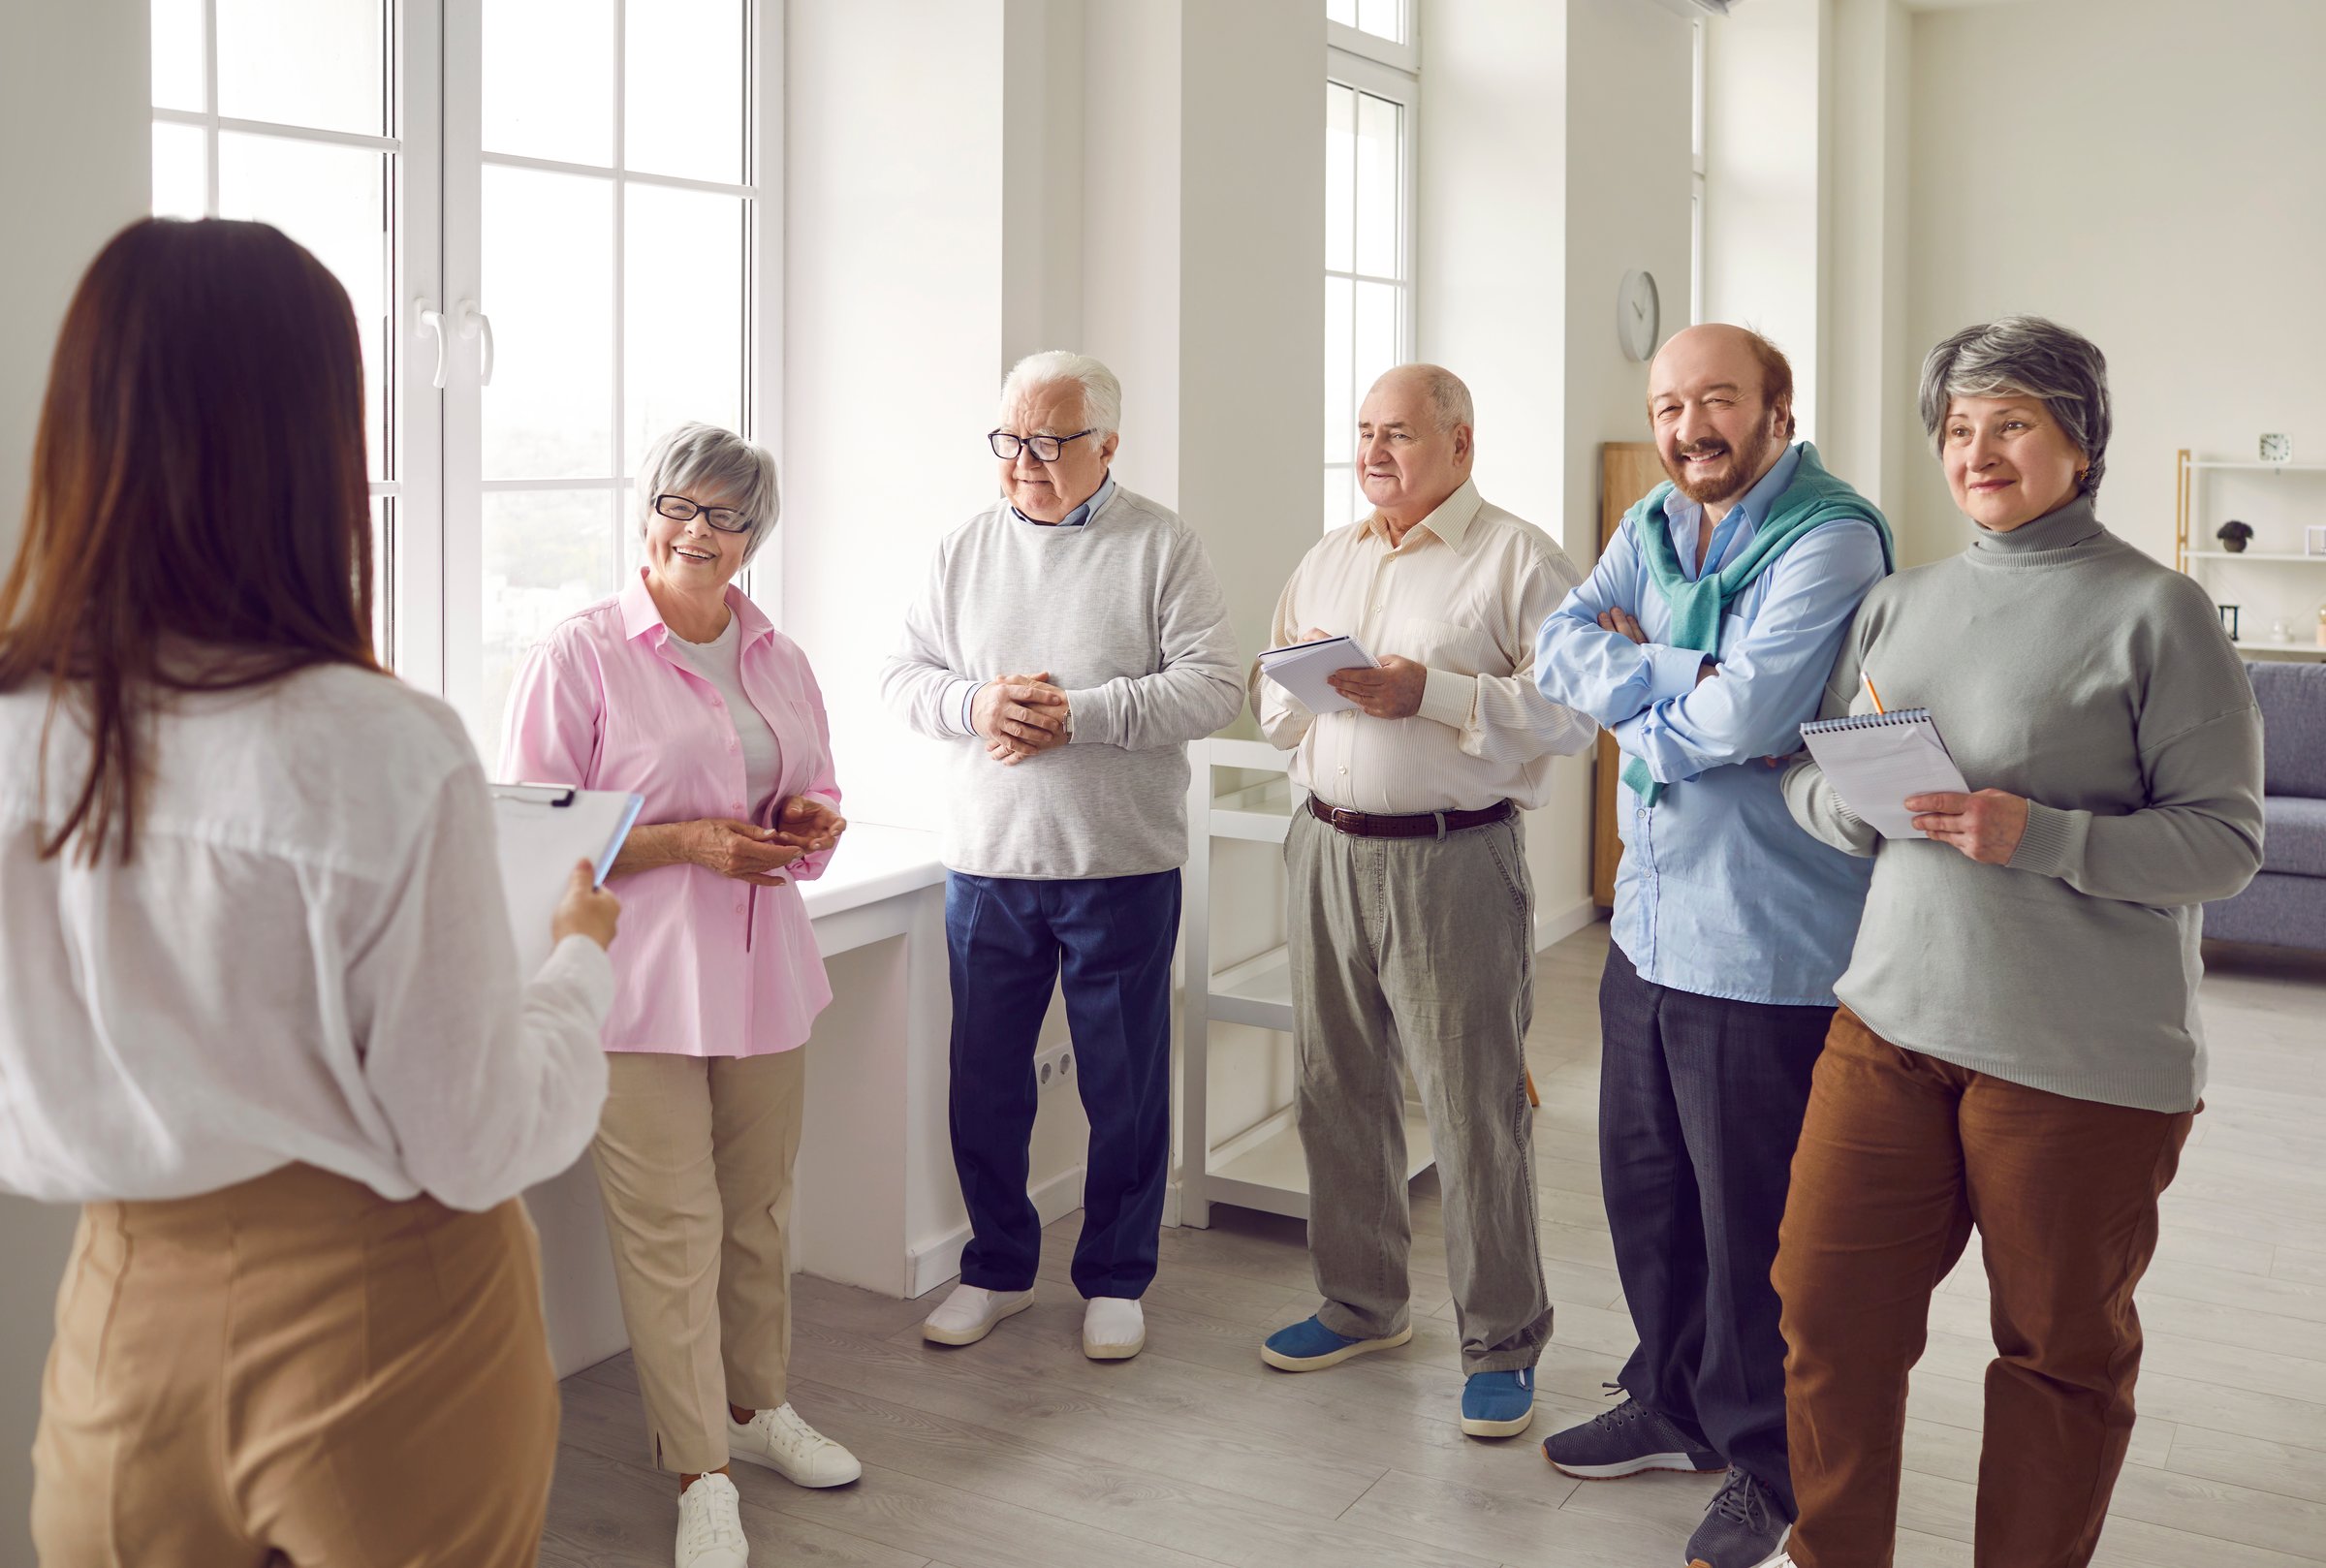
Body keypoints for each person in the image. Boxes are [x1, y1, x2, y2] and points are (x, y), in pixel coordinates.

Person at [0, 217, 619, 1567]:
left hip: (118, 1327)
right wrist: (578, 962)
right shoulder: (375, 746)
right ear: (312, 444)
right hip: (387, 1316)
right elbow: (472, 1134)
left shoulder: (16, 737)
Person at [1769, 318, 2263, 1568]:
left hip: (2076, 1060)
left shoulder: (2160, 610)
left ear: (2080, 446)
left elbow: (2223, 845)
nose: (1979, 451)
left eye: (2013, 424)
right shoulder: (1900, 601)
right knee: (1828, 1315)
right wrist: (1857, 802)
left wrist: (2033, 832)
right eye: (1958, 428)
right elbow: (1809, 781)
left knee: (2057, 1359)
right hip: (1889, 1022)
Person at [1531, 324, 1892, 1568]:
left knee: (1754, 1231)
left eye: (1719, 401)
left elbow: (1753, 716)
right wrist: (1683, 682)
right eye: (1670, 404)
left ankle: (1766, 1461)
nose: (1690, 427)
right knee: (1648, 1196)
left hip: (1762, 944)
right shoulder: (1655, 518)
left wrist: (1647, 692)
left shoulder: (1834, 534)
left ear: (1778, 410)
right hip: (1648, 923)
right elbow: (1560, 646)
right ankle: (1671, 1400)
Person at [502, 422, 857, 1568]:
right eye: (681, 506)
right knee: (673, 1232)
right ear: (647, 508)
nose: (698, 533)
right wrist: (691, 843)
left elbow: (814, 799)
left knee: (759, 1211)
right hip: (638, 990)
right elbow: (544, 843)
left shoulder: (777, 655)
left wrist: (807, 829)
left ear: (756, 537)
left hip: (764, 973)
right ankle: (700, 1467)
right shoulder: (581, 654)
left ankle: (758, 1411)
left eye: (728, 517)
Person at [1251, 363, 1595, 1442]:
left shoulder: (1519, 558)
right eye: (1363, 432)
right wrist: (1309, 698)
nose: (1374, 452)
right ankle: (1363, 1304)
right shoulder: (1328, 556)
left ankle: (1502, 1341)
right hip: (1325, 849)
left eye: (1396, 432)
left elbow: (1580, 710)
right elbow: (1270, 697)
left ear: (1461, 443)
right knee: (1332, 1086)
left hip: (1454, 862)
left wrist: (1430, 695)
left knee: (1474, 1106)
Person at [881, 350, 1242, 1362]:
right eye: (1010, 440)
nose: (1025, 461)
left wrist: (1072, 715)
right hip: (989, 862)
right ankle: (996, 1267)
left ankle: (1117, 1276)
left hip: (1120, 860)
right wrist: (978, 703)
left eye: (1050, 441)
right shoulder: (960, 549)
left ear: (1108, 447)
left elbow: (1214, 686)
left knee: (1122, 1085)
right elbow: (903, 676)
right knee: (985, 1079)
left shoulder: (1162, 545)